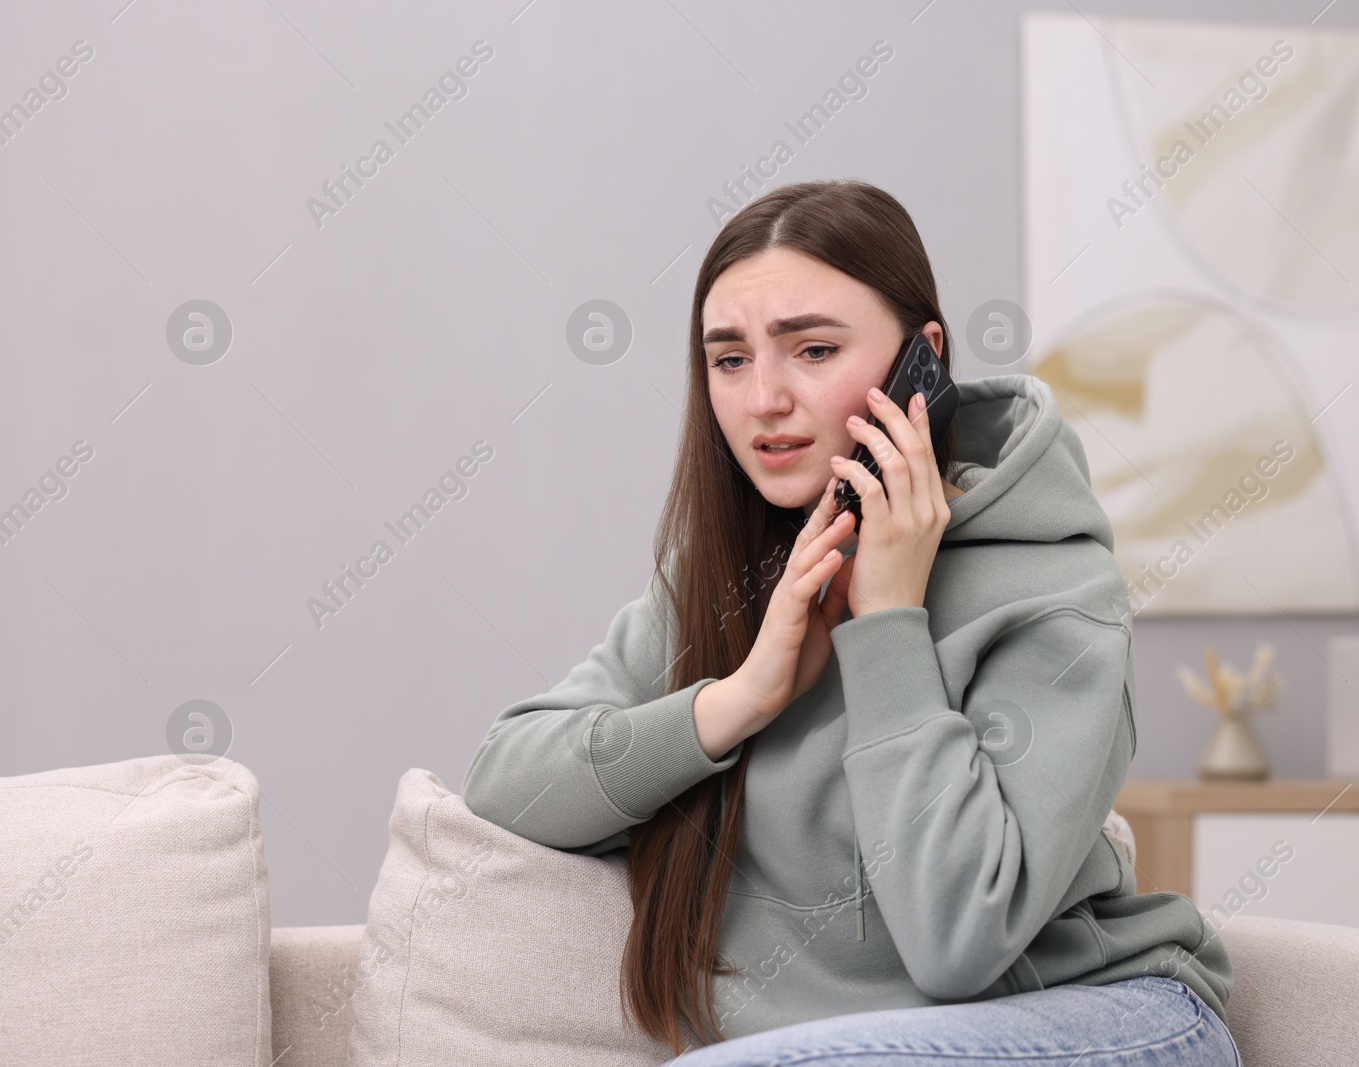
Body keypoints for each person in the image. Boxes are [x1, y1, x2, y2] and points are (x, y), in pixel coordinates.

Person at [462, 179, 1238, 1066]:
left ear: (925, 359)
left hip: (1100, 1022)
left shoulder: (1053, 584)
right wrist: (746, 695)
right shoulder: (729, 578)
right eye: (729, 360)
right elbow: (506, 781)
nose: (764, 399)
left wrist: (889, 621)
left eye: (814, 349)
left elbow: (960, 941)